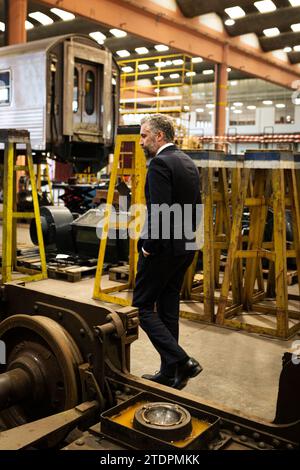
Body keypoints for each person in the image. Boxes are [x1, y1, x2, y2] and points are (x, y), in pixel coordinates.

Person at [132, 114, 202, 390]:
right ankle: (171, 373)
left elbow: (159, 212)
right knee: (169, 308)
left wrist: (150, 245)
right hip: (185, 247)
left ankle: (182, 361)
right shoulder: (187, 161)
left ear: (160, 136)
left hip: (161, 249)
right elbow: (197, 207)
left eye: (144, 135)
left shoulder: (160, 163)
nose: (141, 141)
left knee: (143, 307)